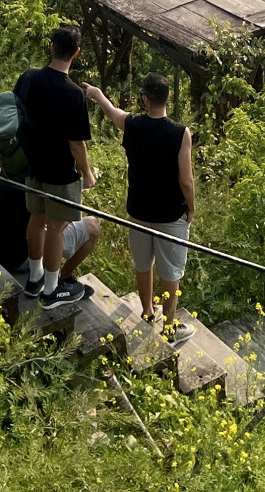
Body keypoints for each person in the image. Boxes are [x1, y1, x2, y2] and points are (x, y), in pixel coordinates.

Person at [86, 72, 195, 339]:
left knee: (143, 263)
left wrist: (98, 94)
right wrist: (191, 206)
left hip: (138, 210)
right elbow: (186, 180)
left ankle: (147, 312)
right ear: (169, 97)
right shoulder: (180, 133)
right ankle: (169, 328)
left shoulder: (133, 125)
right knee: (171, 271)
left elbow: (113, 112)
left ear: (144, 98)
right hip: (170, 214)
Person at [13, 25, 97, 307]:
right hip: (60, 172)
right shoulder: (74, 94)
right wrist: (87, 172)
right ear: (77, 53)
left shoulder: (29, 77)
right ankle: (51, 290)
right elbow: (76, 144)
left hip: (32, 164)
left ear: (51, 47)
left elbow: (16, 113)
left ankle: (35, 278)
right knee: (56, 228)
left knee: (36, 219)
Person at [0, 173, 100, 281]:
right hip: (18, 259)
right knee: (92, 227)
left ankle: (48, 276)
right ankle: (62, 278)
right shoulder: (50, 177)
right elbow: (58, 225)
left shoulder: (15, 168)